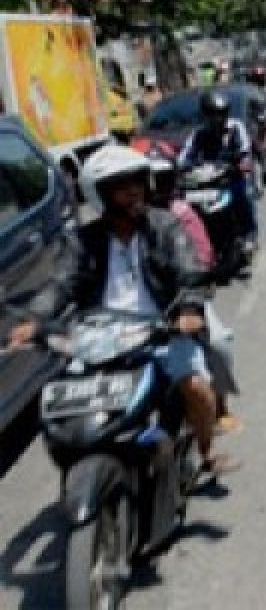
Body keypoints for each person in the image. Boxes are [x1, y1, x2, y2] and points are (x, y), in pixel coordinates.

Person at [4, 145, 239, 473]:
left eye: (137, 183)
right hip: (101, 334)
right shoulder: (83, 240)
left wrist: (188, 307)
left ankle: (206, 451)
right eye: (122, 187)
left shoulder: (164, 225)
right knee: (60, 402)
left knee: (196, 385)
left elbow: (189, 267)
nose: (134, 193)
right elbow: (61, 282)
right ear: (100, 195)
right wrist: (34, 319)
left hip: (162, 327)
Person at [145, 146, 243, 436]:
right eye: (150, 181)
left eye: (162, 181)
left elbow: (202, 254)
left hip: (182, 299)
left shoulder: (181, 213)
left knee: (219, 344)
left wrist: (194, 289)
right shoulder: (129, 223)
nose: (155, 189)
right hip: (140, 311)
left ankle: (221, 404)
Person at [178, 91, 259, 255]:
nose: (218, 119)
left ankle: (249, 234)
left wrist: (242, 163)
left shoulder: (236, 127)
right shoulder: (198, 134)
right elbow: (184, 157)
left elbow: (245, 151)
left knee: (243, 195)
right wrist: (182, 167)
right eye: (213, 115)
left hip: (232, 177)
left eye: (221, 114)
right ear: (206, 115)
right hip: (207, 183)